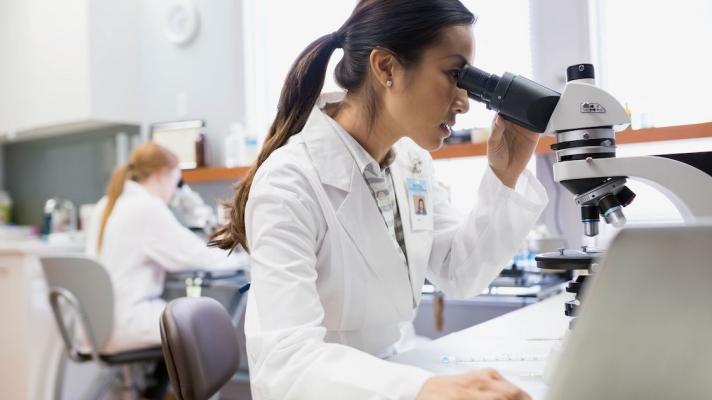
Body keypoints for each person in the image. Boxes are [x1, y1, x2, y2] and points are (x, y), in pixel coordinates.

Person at [211, 1, 547, 399]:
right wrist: (423, 390)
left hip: (399, 371)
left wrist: (504, 175)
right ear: (386, 67)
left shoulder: (410, 163)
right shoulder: (289, 183)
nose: (464, 100)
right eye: (455, 74)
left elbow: (460, 271)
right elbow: (285, 364)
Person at [85, 142, 247, 354]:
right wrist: (242, 259)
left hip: (95, 324)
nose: (175, 189)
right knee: (203, 321)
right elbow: (194, 256)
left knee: (182, 317)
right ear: (163, 174)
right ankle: (195, 388)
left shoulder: (106, 204)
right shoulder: (147, 207)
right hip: (126, 323)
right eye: (176, 180)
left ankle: (160, 386)